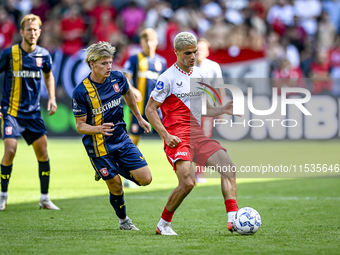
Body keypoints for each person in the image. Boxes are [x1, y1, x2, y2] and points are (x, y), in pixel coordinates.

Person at [145, 32, 239, 235]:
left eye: (195, 52)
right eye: (188, 53)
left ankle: (234, 220)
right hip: (177, 136)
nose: (193, 56)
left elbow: (202, 108)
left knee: (229, 168)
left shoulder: (199, 75)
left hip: (197, 134)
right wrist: (165, 135)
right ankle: (163, 224)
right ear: (176, 51)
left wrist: (222, 109)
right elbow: (150, 109)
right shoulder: (167, 78)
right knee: (187, 182)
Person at [72, 41, 152, 230]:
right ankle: (124, 221)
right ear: (92, 64)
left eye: (110, 62)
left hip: (121, 139)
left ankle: (109, 170)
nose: (109, 67)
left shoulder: (118, 79)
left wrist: (139, 118)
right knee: (116, 185)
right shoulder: (82, 91)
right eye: (103, 63)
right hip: (98, 145)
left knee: (146, 179)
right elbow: (80, 126)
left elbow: (129, 96)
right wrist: (98, 129)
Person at [0, 14, 59, 211]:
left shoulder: (43, 55)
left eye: (35, 30)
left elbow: (49, 75)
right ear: (21, 32)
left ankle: (44, 198)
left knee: (43, 153)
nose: (32, 33)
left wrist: (51, 98)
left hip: (34, 114)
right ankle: (3, 195)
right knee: (10, 151)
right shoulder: (9, 54)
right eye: (29, 30)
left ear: (39, 32)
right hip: (12, 112)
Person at [122, 28, 167, 188]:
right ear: (141, 42)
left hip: (156, 110)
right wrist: (133, 90)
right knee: (132, 142)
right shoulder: (135, 59)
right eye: (145, 40)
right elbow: (125, 79)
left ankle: (182, 171)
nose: (149, 43)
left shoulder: (162, 62)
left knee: (168, 138)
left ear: (156, 41)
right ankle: (129, 177)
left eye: (151, 40)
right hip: (138, 110)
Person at [194, 38, 224, 183]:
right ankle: (188, 171)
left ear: (207, 51)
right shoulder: (188, 65)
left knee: (203, 140)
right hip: (190, 109)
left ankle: (199, 172)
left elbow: (220, 89)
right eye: (197, 48)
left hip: (207, 109)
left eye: (202, 49)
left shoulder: (213, 67)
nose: (199, 51)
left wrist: (221, 110)